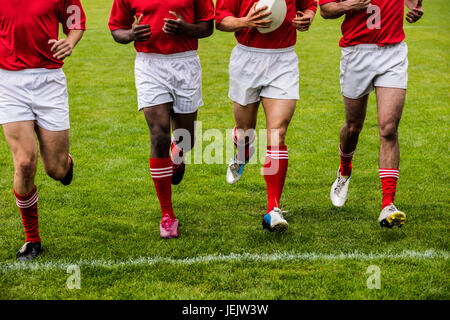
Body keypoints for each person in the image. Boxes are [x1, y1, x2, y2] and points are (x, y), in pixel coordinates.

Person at [109, 0, 215, 239]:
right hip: (150, 65)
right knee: (158, 135)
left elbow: (208, 26)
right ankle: (167, 214)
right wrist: (131, 34)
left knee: (186, 139)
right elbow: (116, 29)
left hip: (185, 62)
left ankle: (178, 152)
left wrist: (185, 28)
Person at [320, 0, 424, 227]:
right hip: (356, 52)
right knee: (353, 126)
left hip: (393, 52)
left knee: (388, 128)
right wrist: (349, 5)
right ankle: (344, 171)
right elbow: (326, 10)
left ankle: (388, 205)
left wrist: (415, 6)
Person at [216, 0, 317, 233]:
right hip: (247, 59)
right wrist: (245, 21)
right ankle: (243, 151)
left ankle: (274, 209)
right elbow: (220, 20)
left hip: (283, 60)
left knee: (277, 132)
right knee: (244, 131)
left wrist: (308, 17)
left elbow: (310, 5)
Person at [0, 0, 86, 260]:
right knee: (24, 163)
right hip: (9, 82)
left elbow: (76, 22)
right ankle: (32, 239)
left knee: (55, 170)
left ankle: (65, 163)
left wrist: (69, 42)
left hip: (49, 80)